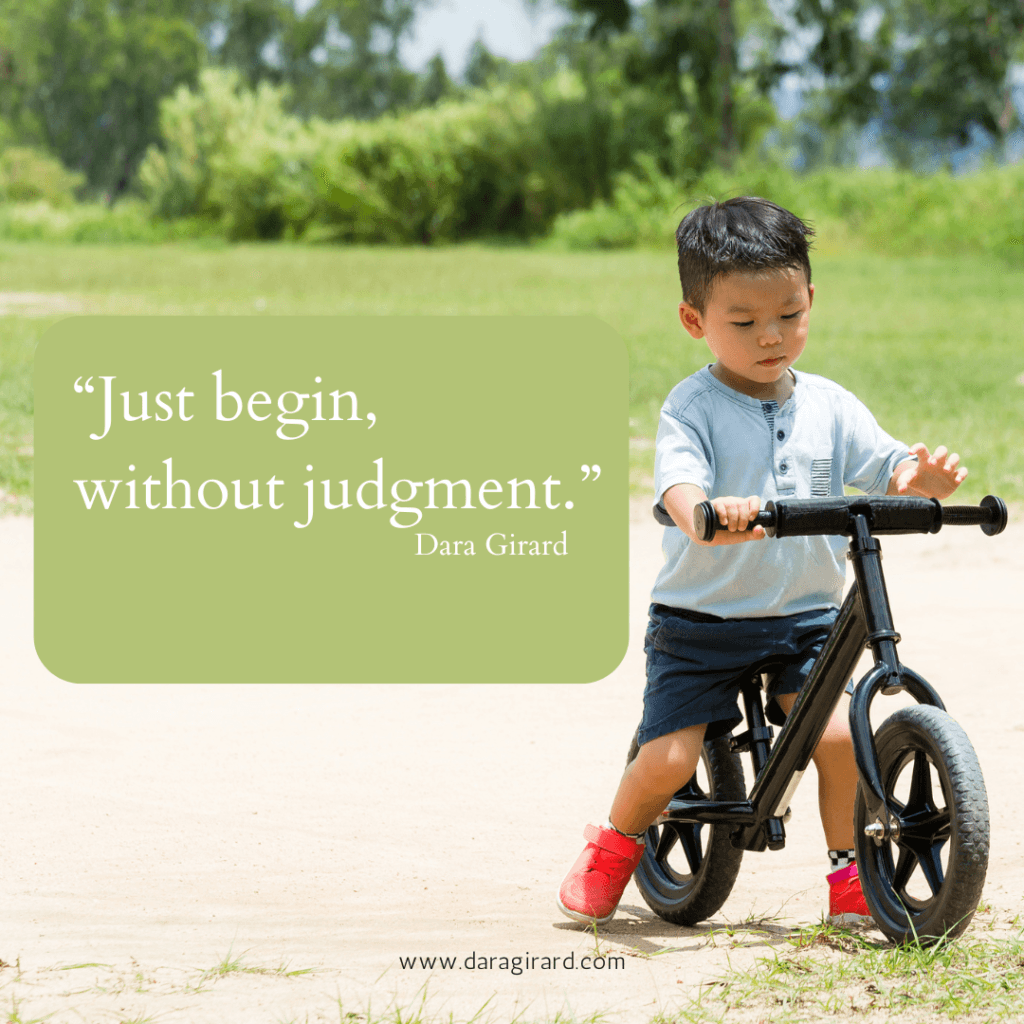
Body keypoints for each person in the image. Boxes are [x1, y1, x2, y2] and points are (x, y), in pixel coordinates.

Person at [557, 196, 967, 927]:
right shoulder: (693, 408)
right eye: (743, 323)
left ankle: (849, 875)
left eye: (790, 314)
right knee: (670, 762)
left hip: (805, 622)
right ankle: (616, 844)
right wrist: (707, 515)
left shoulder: (831, 406)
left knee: (840, 737)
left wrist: (917, 480)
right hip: (701, 626)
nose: (771, 336)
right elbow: (681, 484)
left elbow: (886, 464)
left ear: (811, 298)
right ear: (696, 322)